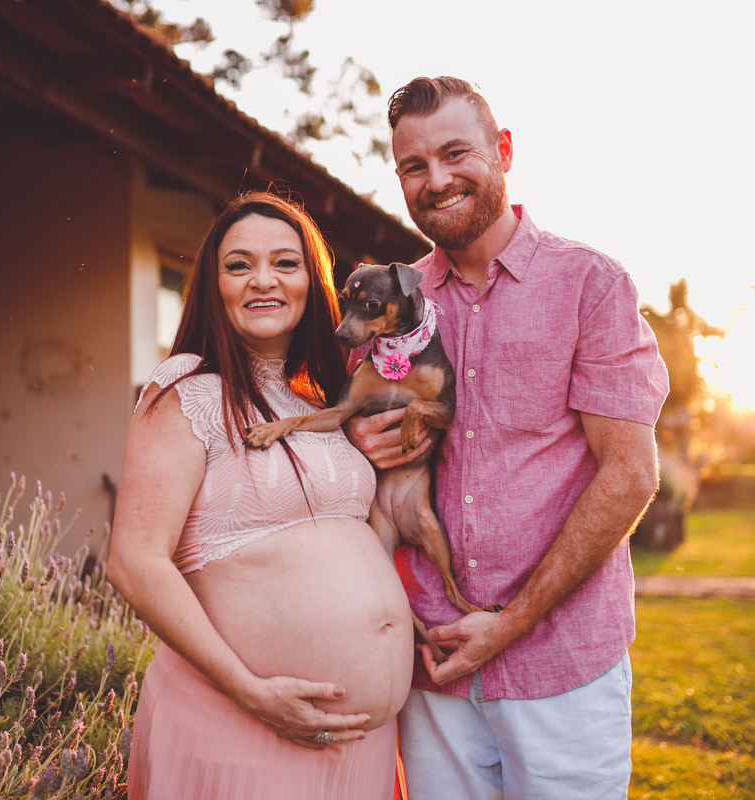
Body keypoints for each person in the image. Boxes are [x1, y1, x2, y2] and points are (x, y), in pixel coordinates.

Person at [345, 77, 670, 799]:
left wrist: (513, 621)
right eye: (413, 166)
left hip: (562, 671)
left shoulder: (591, 285)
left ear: (504, 151)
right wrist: (364, 444)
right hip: (432, 671)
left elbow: (630, 476)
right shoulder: (393, 301)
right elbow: (359, 451)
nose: (436, 180)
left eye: (456, 153)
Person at [106, 192, 415, 799]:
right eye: (239, 265)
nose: (263, 280)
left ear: (313, 282)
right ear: (213, 285)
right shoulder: (186, 392)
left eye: (285, 263)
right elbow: (134, 562)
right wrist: (251, 690)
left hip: (364, 749)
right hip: (238, 724)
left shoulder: (324, 403)